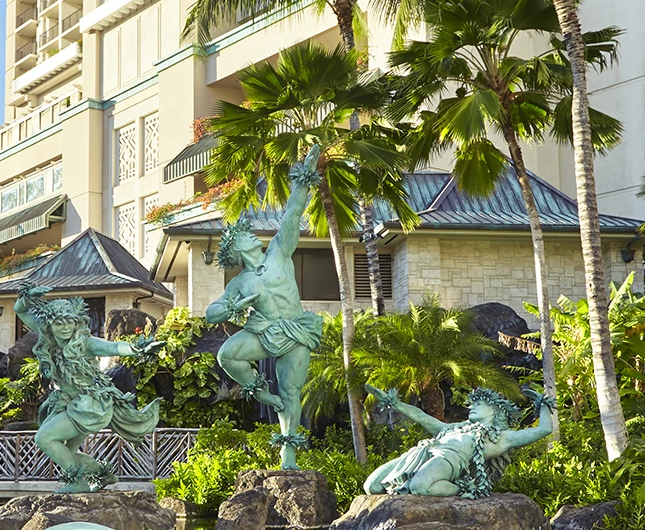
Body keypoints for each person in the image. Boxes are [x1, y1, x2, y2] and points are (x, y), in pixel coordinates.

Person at [205, 144, 324, 469]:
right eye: (244, 236)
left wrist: (304, 177)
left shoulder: (278, 253)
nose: (251, 235)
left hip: (296, 329)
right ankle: (259, 392)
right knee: (226, 354)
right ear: (238, 247)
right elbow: (211, 313)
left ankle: (288, 452)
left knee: (290, 390)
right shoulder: (240, 283)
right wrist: (235, 306)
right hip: (263, 331)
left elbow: (293, 214)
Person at [16, 283, 160, 493]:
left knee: (44, 438)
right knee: (67, 451)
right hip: (68, 403)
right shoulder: (47, 337)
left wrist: (137, 348)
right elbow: (20, 310)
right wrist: (27, 296)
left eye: (70, 322)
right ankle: (102, 474)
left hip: (89, 405)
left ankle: (78, 481)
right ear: (50, 325)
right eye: (59, 323)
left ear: (77, 323)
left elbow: (113, 347)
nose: (65, 328)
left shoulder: (86, 343)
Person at [362, 385, 555, 497]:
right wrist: (396, 404)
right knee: (372, 486)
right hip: (421, 453)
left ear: (496, 410)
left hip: (449, 459)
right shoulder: (454, 427)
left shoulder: (501, 436)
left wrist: (543, 404)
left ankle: (463, 488)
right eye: (472, 404)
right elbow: (421, 416)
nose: (472, 407)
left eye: (479, 404)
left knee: (419, 487)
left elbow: (544, 429)